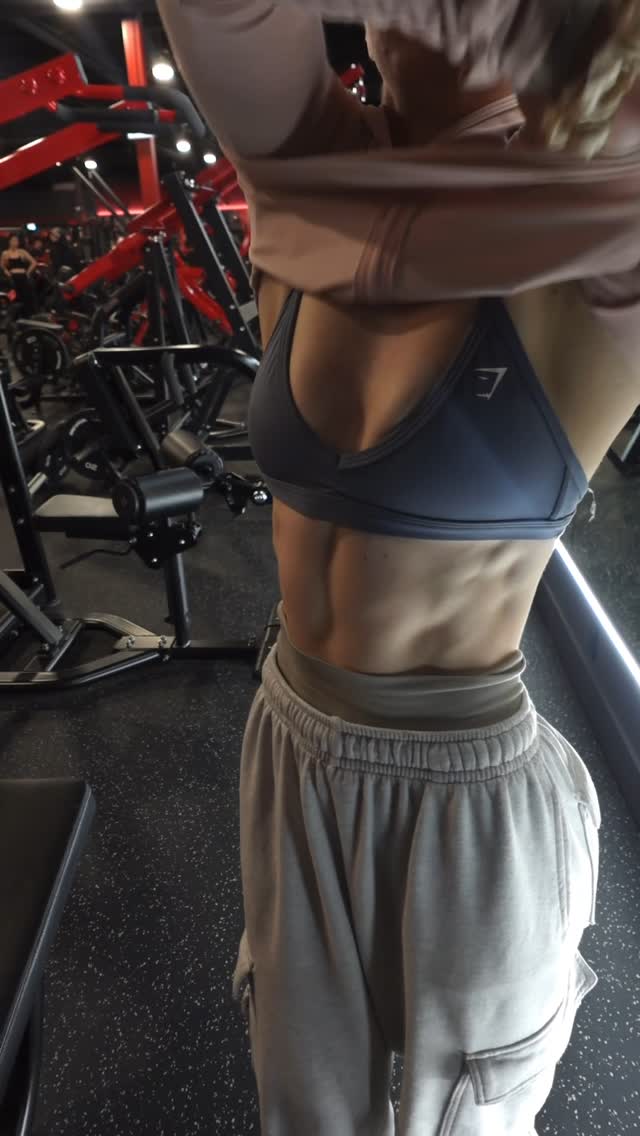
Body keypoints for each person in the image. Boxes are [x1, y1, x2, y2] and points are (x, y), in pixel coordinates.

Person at [158, 3, 638, 1133]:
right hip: (290, 736)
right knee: (303, 1111)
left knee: (462, 1121)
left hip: (464, 796)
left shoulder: (594, 227)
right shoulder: (316, 180)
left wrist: (551, 43)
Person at [1, 234, 37, 317]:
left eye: (16, 240)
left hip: (23, 277)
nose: (15, 242)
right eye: (13, 240)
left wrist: (28, 272)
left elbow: (34, 262)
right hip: (13, 278)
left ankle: (27, 316)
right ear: (9, 241)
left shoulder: (22, 252)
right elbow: (2, 265)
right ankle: (15, 316)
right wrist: (6, 272)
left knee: (26, 297)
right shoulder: (5, 253)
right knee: (15, 298)